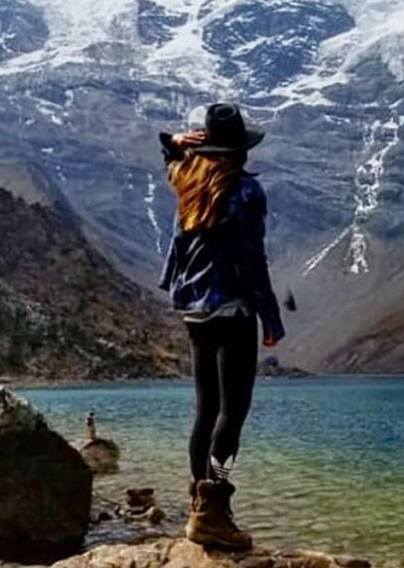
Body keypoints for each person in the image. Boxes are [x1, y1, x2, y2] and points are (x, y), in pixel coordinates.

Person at [158, 102, 285, 551]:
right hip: (232, 309)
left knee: (206, 411)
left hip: (193, 310)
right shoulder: (246, 192)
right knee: (233, 414)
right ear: (239, 150)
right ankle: (214, 508)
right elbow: (252, 259)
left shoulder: (187, 181)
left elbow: (171, 160)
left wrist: (174, 143)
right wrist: (270, 316)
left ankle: (199, 504)